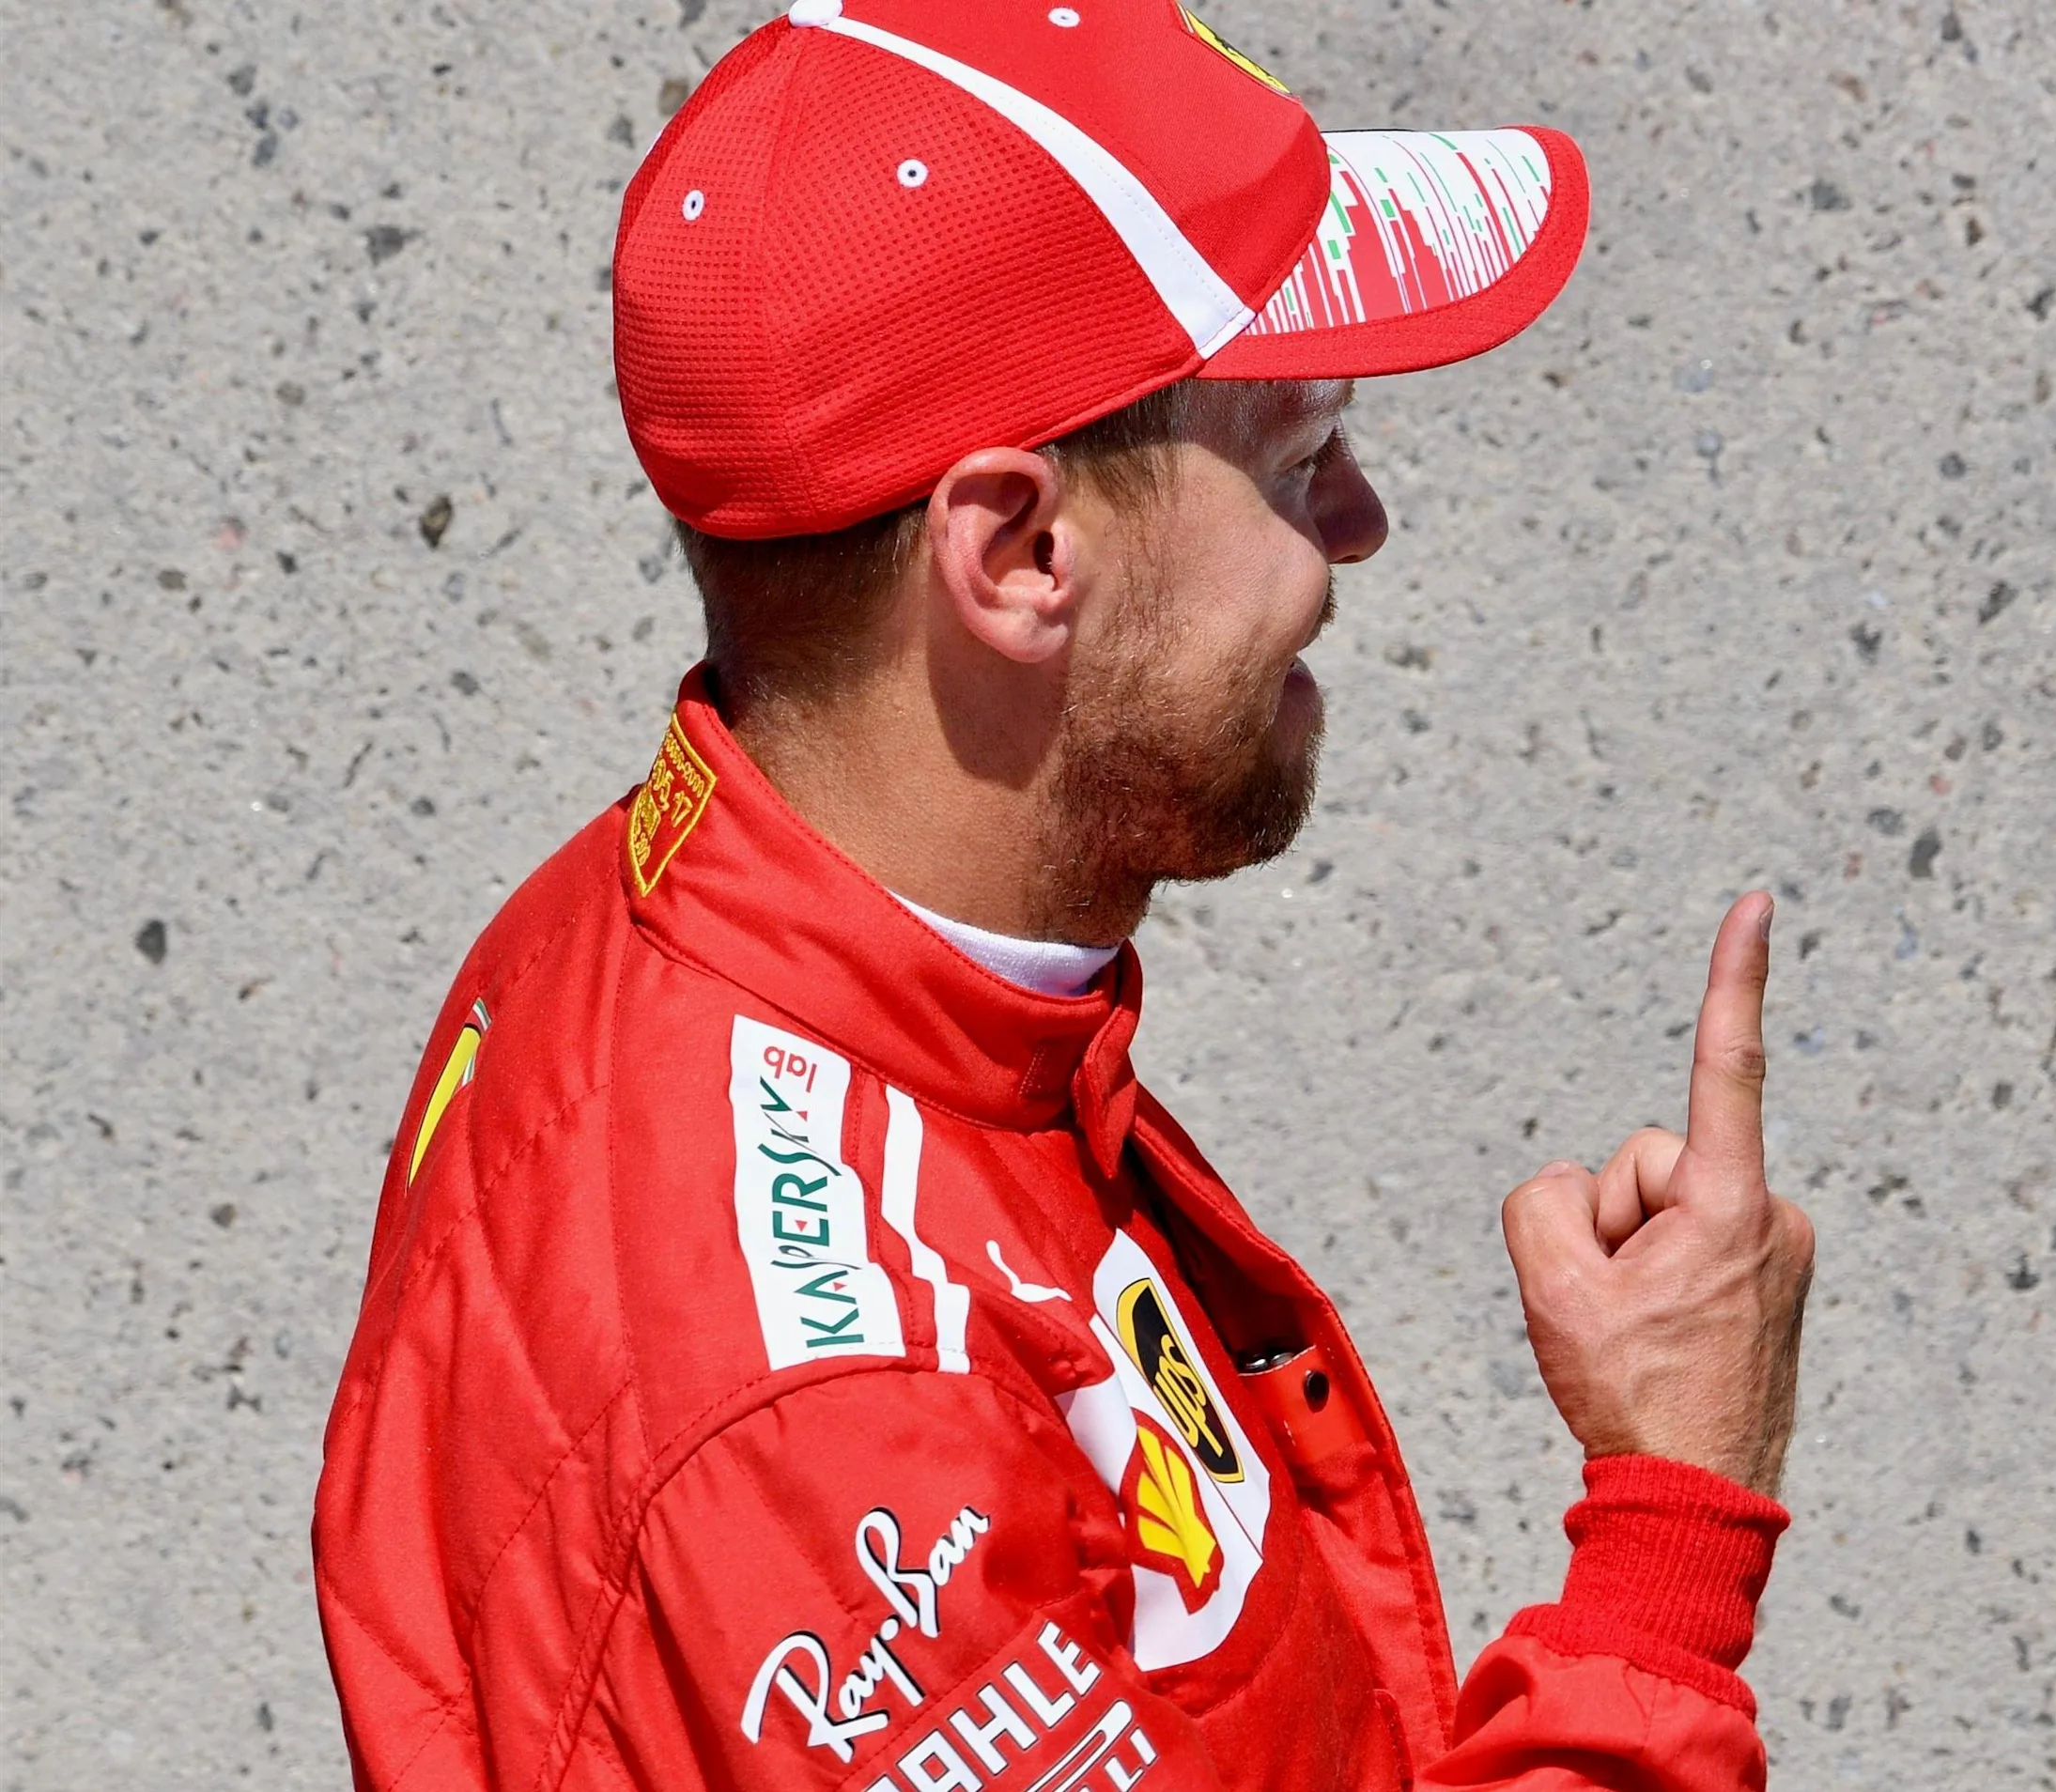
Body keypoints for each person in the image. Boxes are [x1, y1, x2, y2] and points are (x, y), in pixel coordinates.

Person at [310, 4, 1819, 1789]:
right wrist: (1671, 1529)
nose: (1358, 525)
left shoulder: (678, 905)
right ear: (1022, 554)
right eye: (1295, 454)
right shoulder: (841, 1424)